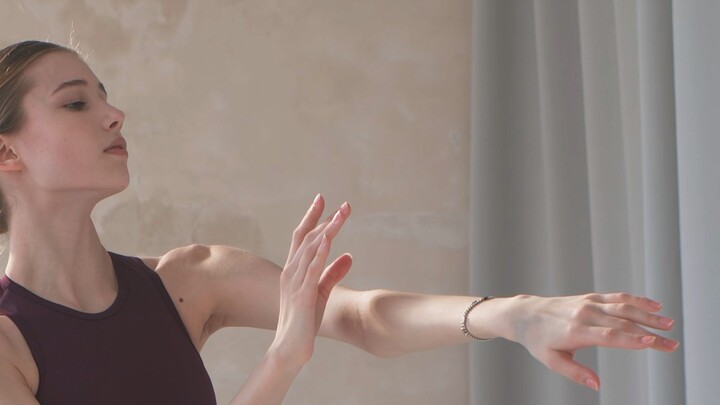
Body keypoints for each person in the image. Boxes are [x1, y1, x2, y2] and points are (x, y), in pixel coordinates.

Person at [0, 40, 678, 405]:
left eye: (106, 96)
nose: (114, 114)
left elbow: (361, 316)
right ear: (7, 153)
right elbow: (302, 341)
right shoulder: (7, 346)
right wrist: (282, 360)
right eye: (76, 103)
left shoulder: (186, 282)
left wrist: (513, 314)